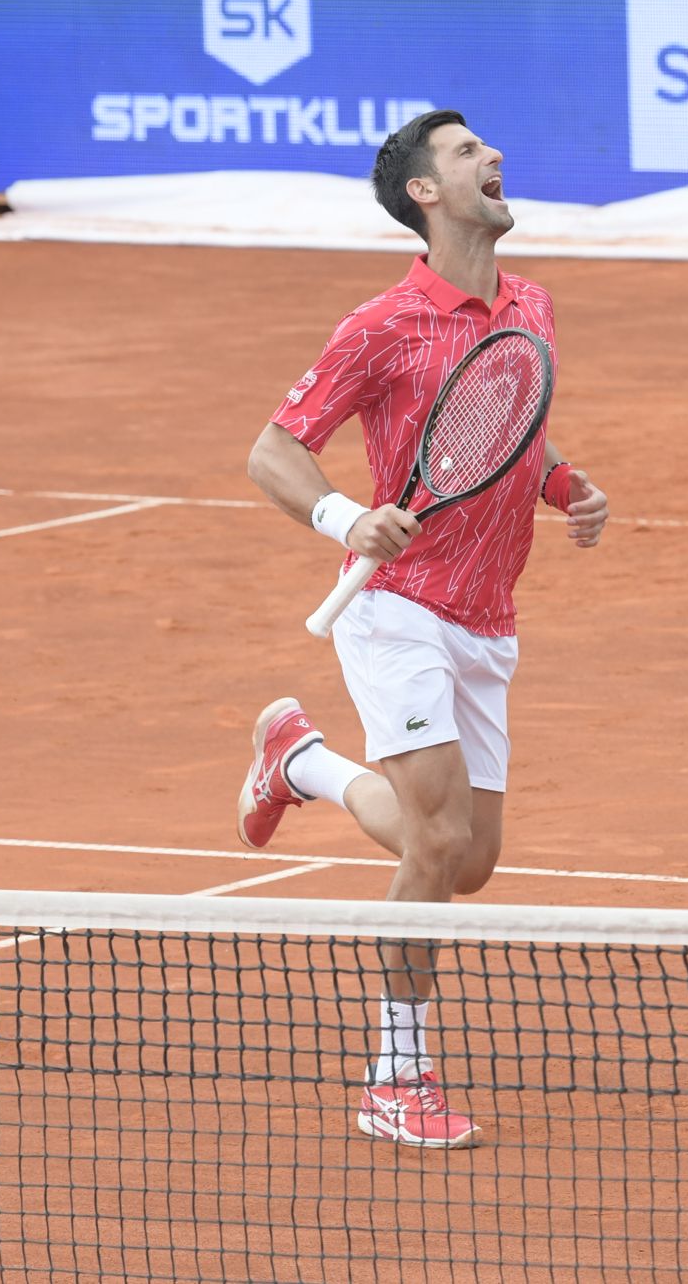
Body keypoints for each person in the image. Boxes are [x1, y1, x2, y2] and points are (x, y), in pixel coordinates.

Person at [238, 108, 610, 1149]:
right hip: (395, 607)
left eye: (488, 145)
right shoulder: (380, 327)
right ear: (425, 194)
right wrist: (343, 515)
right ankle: (395, 1073)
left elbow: (503, 435)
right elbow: (272, 450)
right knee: (438, 836)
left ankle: (299, 762)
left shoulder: (530, 304)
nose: (492, 155)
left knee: (466, 857)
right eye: (464, 152)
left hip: (489, 616)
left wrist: (564, 482)